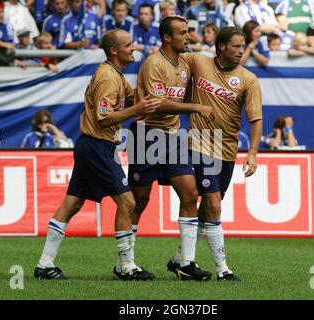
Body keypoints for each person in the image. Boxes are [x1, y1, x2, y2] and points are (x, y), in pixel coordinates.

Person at [34, 29, 160, 280]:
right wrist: (137, 108)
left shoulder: (115, 75)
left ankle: (44, 264)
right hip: (98, 146)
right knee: (128, 203)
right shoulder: (107, 78)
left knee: (72, 204)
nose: (133, 48)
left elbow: (133, 98)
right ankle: (125, 267)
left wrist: (152, 87)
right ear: (114, 51)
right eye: (128, 45)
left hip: (92, 145)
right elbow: (104, 119)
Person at [168, 26, 263, 281]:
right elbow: (171, 58)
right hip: (199, 143)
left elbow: (256, 120)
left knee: (208, 210)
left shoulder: (249, 79)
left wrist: (252, 153)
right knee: (214, 205)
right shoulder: (198, 61)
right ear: (221, 47)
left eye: (242, 47)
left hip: (227, 150)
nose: (240, 51)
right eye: (235, 46)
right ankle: (223, 269)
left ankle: (180, 258)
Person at [128, 15, 214, 281]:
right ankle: (125, 263)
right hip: (146, 135)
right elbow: (158, 104)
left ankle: (185, 263)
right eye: (183, 33)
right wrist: (196, 108)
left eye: (188, 32)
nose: (188, 37)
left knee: (190, 194)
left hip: (173, 137)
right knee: (139, 201)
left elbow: (182, 97)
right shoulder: (154, 63)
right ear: (167, 37)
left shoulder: (184, 64)